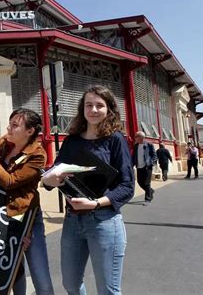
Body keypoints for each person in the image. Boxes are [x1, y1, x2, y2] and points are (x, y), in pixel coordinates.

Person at [41, 85, 134, 295]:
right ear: (82, 108)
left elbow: (127, 186)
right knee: (71, 284)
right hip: (73, 221)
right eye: (88, 105)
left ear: (109, 109)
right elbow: (54, 174)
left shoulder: (115, 139)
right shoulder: (72, 141)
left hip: (104, 221)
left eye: (99, 105)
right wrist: (49, 180)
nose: (93, 110)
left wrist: (96, 203)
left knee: (108, 290)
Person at [0, 108, 54, 295]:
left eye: (15, 125)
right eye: (9, 124)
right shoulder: (4, 143)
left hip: (27, 218)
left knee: (40, 278)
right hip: (1, 217)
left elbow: (10, 181)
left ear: (30, 131)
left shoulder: (38, 155)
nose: (9, 128)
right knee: (12, 273)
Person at [132, 131, 157, 202]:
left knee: (146, 183)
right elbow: (134, 156)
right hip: (139, 167)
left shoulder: (149, 145)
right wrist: (132, 165)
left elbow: (154, 156)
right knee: (140, 182)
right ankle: (150, 190)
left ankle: (148, 198)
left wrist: (151, 163)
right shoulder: (136, 146)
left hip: (147, 166)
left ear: (141, 137)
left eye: (136, 136)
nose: (135, 138)